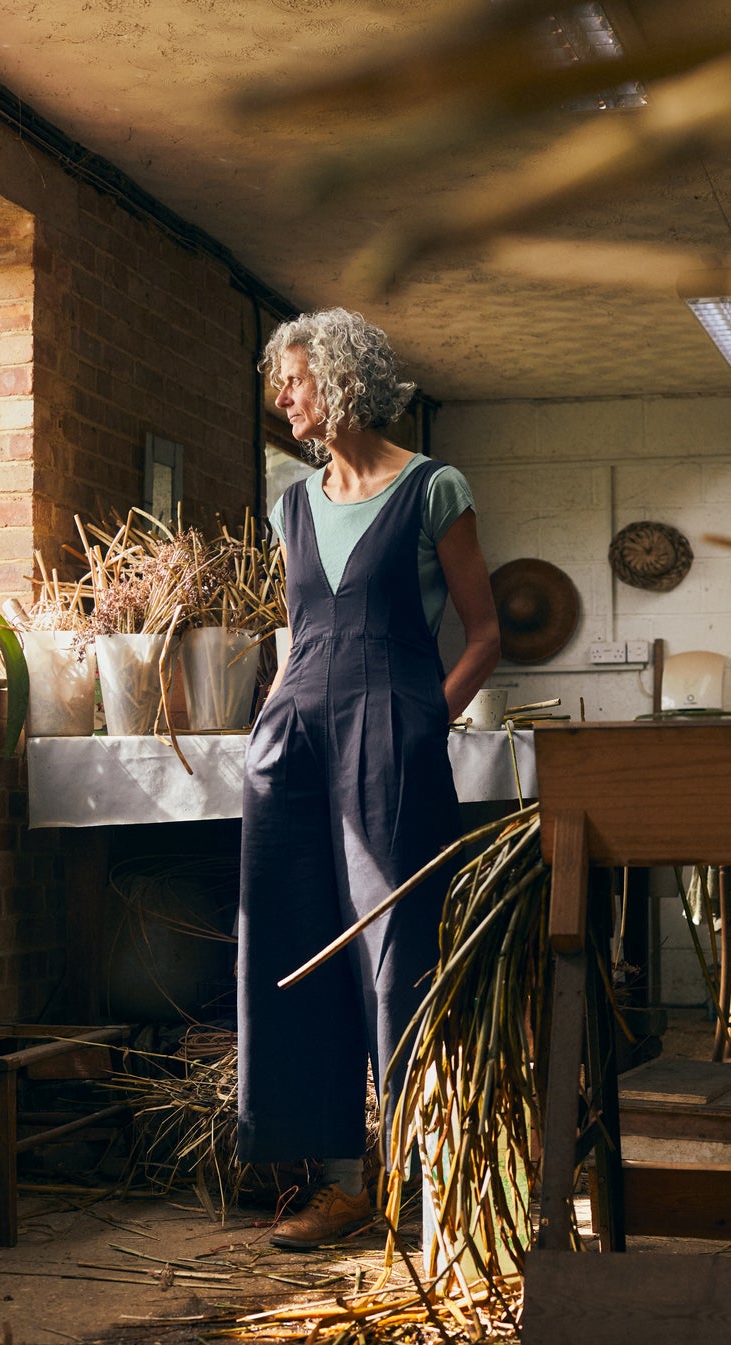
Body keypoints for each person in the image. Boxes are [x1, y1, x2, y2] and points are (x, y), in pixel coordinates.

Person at [237, 308, 501, 1248]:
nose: (283, 398)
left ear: (342, 382)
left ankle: (420, 1181)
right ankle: (337, 1182)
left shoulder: (434, 488)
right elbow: (302, 633)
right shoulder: (288, 503)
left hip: (394, 729)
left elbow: (485, 632)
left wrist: (429, 712)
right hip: (293, 735)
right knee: (293, 938)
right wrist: (269, 720)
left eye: (296, 380)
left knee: (396, 951)